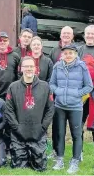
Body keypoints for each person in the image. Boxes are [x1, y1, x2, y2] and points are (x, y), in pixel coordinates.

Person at [5, 56, 54, 171]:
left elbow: (50, 109)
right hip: (19, 133)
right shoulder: (13, 87)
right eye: (26, 66)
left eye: (31, 66)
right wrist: (16, 127)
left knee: (40, 167)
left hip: (38, 132)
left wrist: (43, 127)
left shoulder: (45, 87)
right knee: (18, 167)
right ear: (21, 68)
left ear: (36, 68)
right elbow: (9, 110)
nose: (29, 69)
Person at [50, 44, 93, 174]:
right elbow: (51, 84)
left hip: (75, 107)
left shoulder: (81, 67)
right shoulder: (57, 66)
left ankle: (75, 160)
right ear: (62, 54)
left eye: (70, 53)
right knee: (60, 133)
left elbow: (89, 86)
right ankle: (60, 159)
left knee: (76, 134)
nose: (68, 55)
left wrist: (76, 93)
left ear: (75, 54)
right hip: (60, 106)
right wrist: (58, 91)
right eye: (65, 53)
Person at [48, 26, 74, 159]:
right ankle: (55, 150)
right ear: (60, 36)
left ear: (72, 36)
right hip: (57, 92)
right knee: (57, 123)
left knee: (75, 124)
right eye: (64, 33)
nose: (66, 35)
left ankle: (77, 153)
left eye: (69, 34)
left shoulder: (76, 51)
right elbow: (51, 72)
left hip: (72, 93)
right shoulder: (54, 51)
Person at [78, 25, 94, 149]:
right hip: (83, 92)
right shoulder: (79, 50)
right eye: (88, 33)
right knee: (79, 121)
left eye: (92, 33)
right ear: (84, 35)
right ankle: (79, 151)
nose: (90, 36)